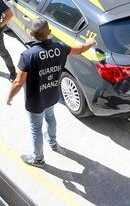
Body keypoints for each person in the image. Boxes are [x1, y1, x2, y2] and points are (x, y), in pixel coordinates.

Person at [6, 19, 96, 166]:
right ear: (49, 32)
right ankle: (53, 142)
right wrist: (90, 43)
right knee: (50, 117)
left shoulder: (28, 55)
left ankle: (38, 159)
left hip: (35, 100)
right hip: (52, 94)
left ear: (30, 33)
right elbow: (79, 49)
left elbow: (18, 82)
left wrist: (10, 96)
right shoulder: (60, 47)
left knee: (36, 128)